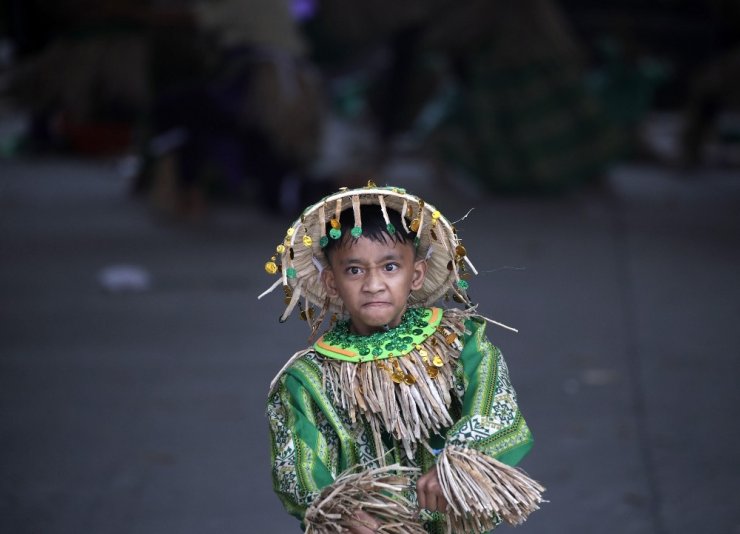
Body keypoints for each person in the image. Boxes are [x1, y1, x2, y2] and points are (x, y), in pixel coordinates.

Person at [260, 182, 544, 533]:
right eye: (354, 270)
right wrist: (338, 509)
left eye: (390, 267)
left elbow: (496, 410)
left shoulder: (462, 342)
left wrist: (459, 464)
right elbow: (297, 467)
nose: (374, 284)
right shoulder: (307, 378)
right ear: (332, 282)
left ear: (417, 274)